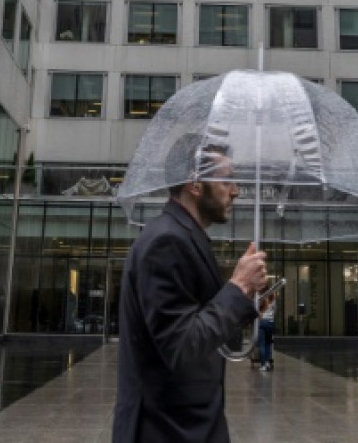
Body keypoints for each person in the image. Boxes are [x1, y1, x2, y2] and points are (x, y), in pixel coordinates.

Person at [113, 143, 268, 443]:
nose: (235, 191)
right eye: (226, 180)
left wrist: (245, 303)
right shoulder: (167, 242)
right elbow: (182, 345)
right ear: (195, 183)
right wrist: (237, 287)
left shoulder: (185, 236)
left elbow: (201, 328)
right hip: (168, 429)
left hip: (186, 425)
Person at [256, 291, 276, 371]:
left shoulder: (260, 298)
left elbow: (256, 310)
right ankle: (267, 362)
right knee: (268, 343)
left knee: (261, 344)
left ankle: (263, 365)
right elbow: (275, 311)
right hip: (270, 323)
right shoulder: (273, 299)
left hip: (262, 321)